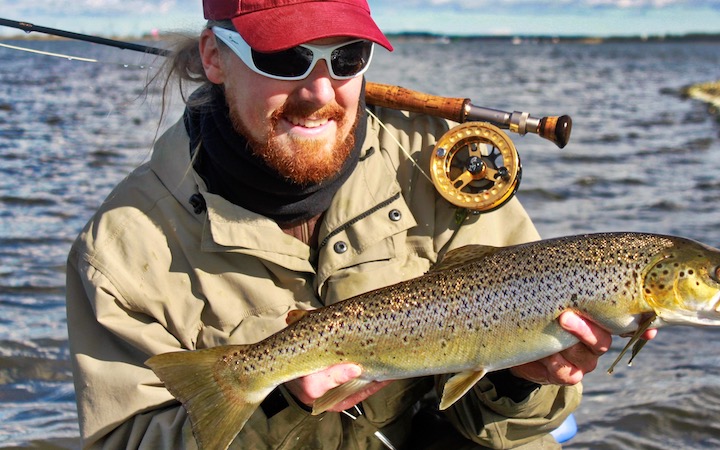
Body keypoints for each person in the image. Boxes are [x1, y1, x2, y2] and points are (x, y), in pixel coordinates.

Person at [66, 0, 654, 448]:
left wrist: (524, 379)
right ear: (215, 58)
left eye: (347, 56)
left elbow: (515, 429)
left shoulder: (446, 166)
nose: (320, 91)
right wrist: (281, 402)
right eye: (282, 58)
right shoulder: (121, 249)